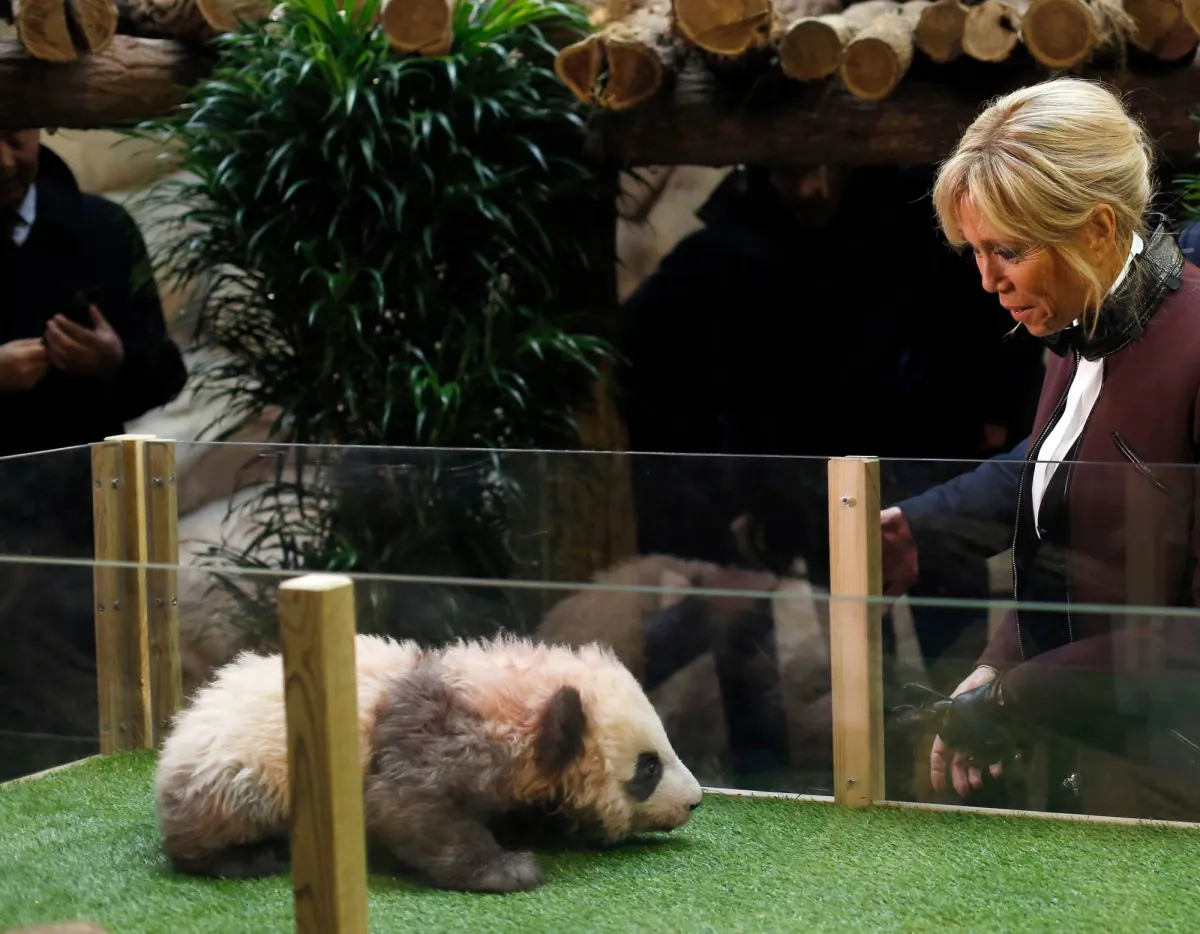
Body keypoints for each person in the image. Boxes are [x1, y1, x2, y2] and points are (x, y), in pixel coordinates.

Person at [887, 77, 1200, 820]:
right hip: (1093, 764)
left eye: (1008, 250)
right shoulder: (1074, 324)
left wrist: (1013, 697)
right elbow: (1065, 535)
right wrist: (999, 663)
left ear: (1098, 228)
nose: (987, 280)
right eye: (975, 251)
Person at [0, 128, 188, 781]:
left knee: (86, 709)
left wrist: (115, 362)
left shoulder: (101, 228)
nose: (4, 160)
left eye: (14, 137)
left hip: (84, 519)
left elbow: (165, 375)